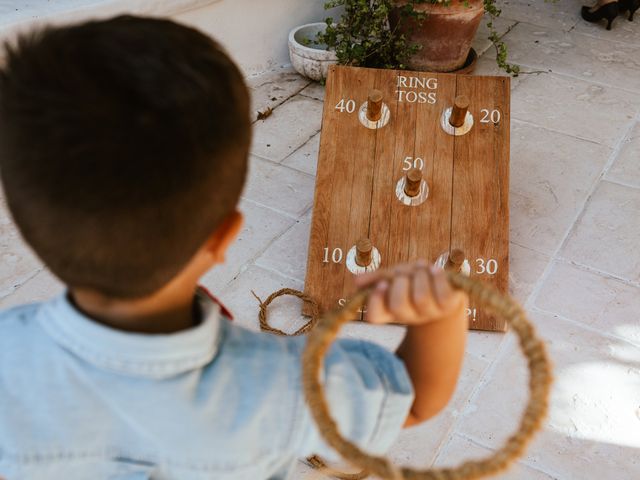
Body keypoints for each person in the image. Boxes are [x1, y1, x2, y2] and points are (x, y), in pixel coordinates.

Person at [0, 16, 469, 480]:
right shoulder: (281, 388)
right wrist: (441, 316)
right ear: (225, 236)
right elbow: (415, 398)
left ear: (27, 230)